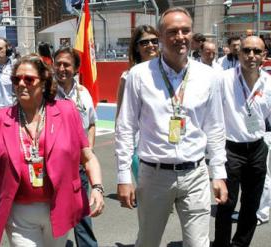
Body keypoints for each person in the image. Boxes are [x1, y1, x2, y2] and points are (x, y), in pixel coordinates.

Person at [115, 7, 228, 247]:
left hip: (195, 174)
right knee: (148, 241)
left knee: (199, 244)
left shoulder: (208, 76)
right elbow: (125, 128)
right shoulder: (139, 75)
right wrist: (124, 176)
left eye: (185, 30)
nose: (180, 37)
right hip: (154, 175)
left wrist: (218, 172)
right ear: (160, 35)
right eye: (172, 31)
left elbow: (215, 127)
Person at [0, 54, 104, 247]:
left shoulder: (67, 112)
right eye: (16, 79)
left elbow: (87, 156)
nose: (21, 84)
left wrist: (97, 188)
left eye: (29, 79)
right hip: (18, 213)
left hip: (59, 207)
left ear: (43, 83)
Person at [213, 36, 271, 247]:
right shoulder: (223, 79)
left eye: (257, 51)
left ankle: (240, 244)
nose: (251, 56)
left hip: (257, 148)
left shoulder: (269, 82)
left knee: (251, 205)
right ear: (238, 53)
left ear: (264, 55)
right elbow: (213, 117)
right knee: (226, 204)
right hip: (231, 150)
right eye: (247, 51)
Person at [53, 47, 100, 247]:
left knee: (82, 215)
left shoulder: (83, 93)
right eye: (58, 64)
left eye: (67, 65)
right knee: (52, 215)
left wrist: (87, 154)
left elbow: (91, 124)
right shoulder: (46, 91)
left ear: (76, 69)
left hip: (78, 166)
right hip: (53, 167)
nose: (62, 68)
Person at [116, 24, 159, 180]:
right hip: (137, 145)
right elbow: (121, 114)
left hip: (162, 143)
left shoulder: (168, 74)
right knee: (146, 189)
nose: (150, 45)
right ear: (136, 48)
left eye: (154, 41)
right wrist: (121, 145)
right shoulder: (128, 77)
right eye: (144, 42)